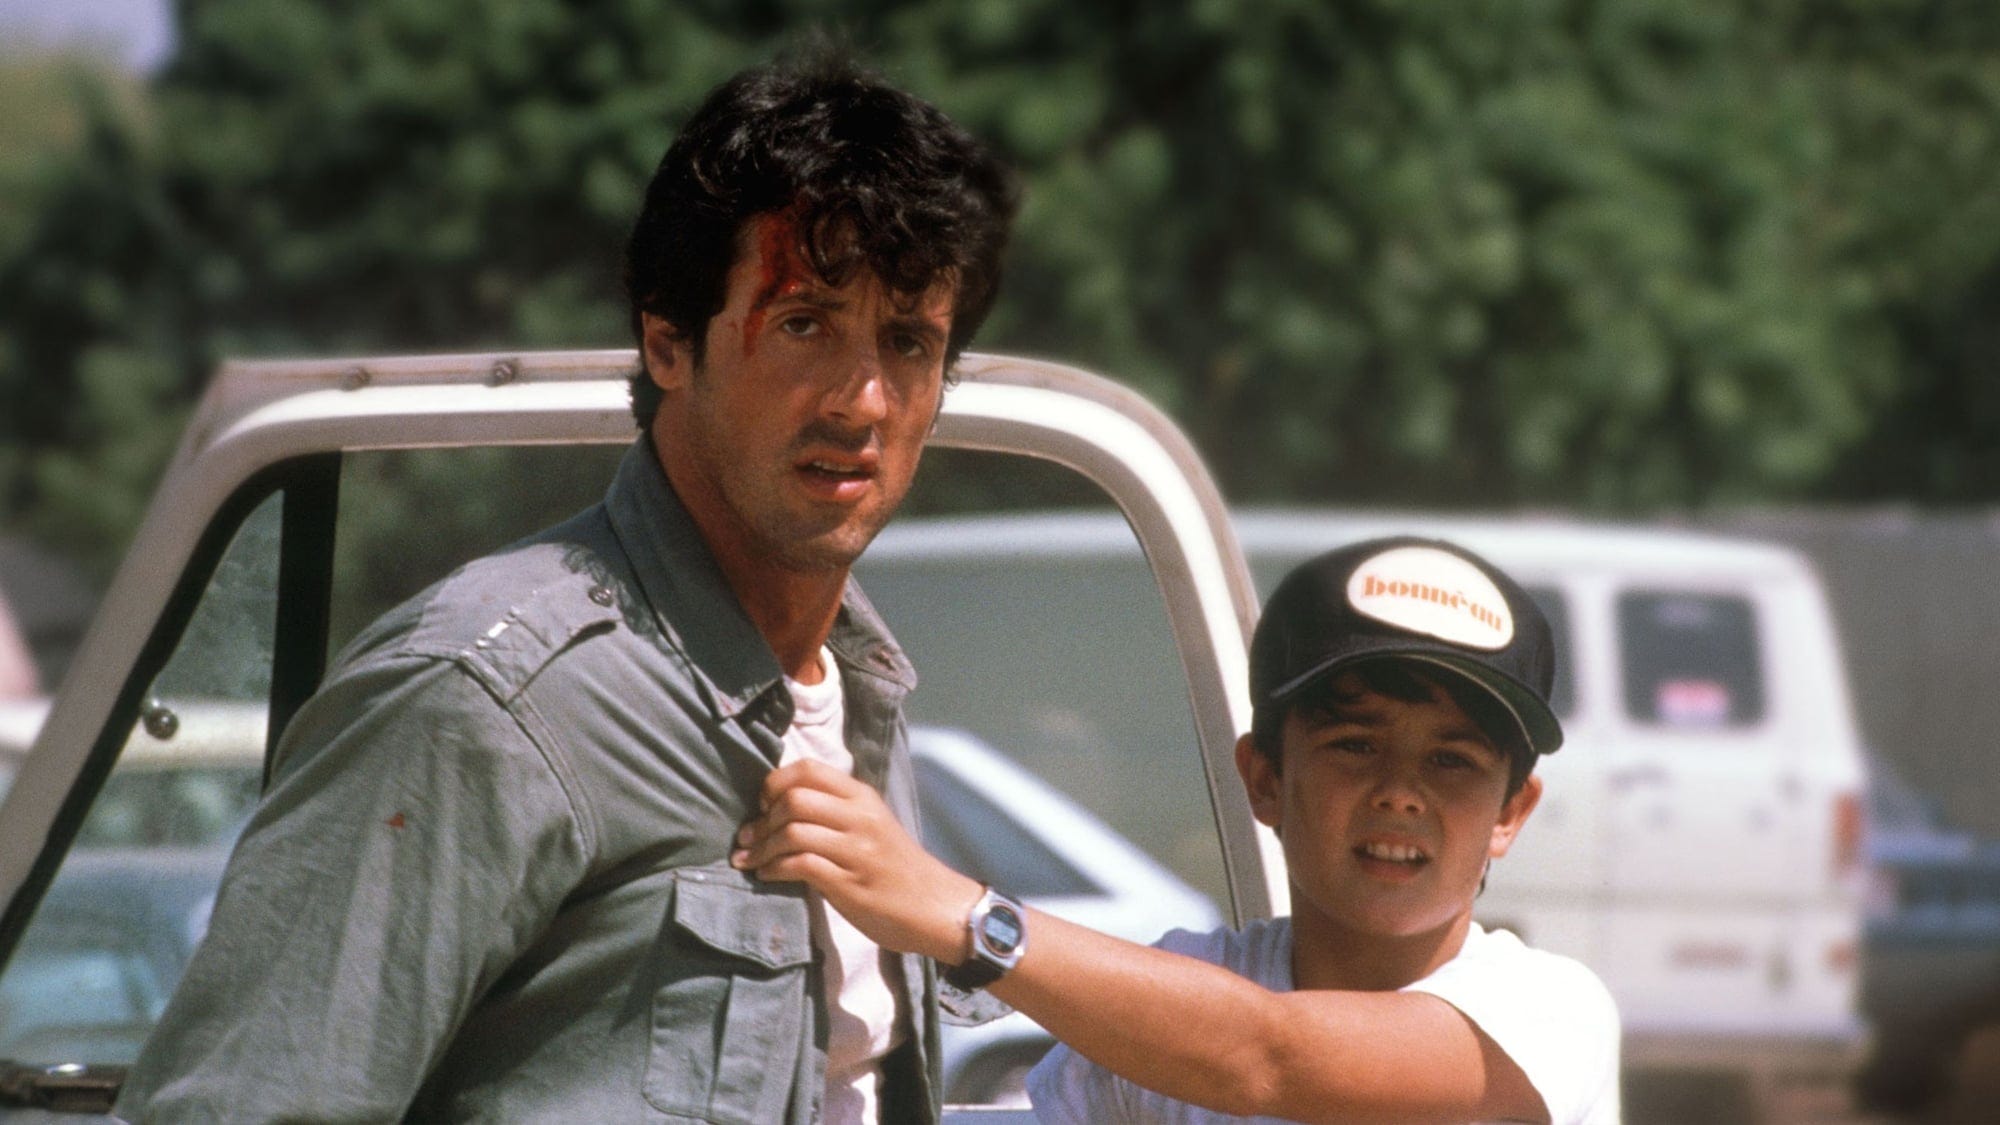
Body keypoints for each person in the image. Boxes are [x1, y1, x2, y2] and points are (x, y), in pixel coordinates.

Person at [116, 47, 1017, 1124]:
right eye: (803, 324)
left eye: (908, 341)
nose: (863, 400)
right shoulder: (483, 701)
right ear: (669, 343)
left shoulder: (859, 694)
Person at [735, 536, 1623, 1124]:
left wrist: (963, 915)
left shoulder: (1551, 1011)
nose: (1401, 793)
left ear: (1511, 813)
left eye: (1452, 761)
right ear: (1264, 778)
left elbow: (1269, 1056)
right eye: (1356, 744)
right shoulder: (1170, 1005)